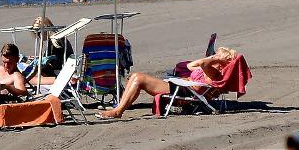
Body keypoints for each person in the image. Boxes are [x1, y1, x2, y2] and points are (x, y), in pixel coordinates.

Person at [97, 48, 238, 119]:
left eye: (217, 55)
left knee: (138, 78)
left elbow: (202, 63)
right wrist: (213, 58)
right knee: (135, 76)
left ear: (222, 62)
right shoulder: (209, 69)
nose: (214, 56)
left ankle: (118, 111)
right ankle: (120, 108)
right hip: (182, 87)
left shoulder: (213, 73)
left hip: (184, 92)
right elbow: (191, 66)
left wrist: (214, 60)